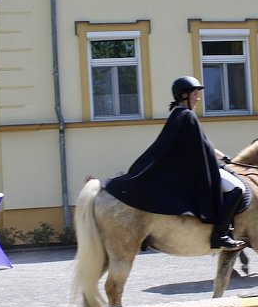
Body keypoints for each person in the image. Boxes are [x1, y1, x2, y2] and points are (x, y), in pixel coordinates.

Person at [105, 76, 247, 251]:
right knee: (237, 188)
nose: (198, 98)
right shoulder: (188, 116)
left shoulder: (177, 115)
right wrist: (222, 158)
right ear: (184, 95)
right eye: (195, 94)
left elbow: (202, 145)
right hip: (197, 169)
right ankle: (220, 234)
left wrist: (220, 156)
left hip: (186, 167)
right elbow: (204, 148)